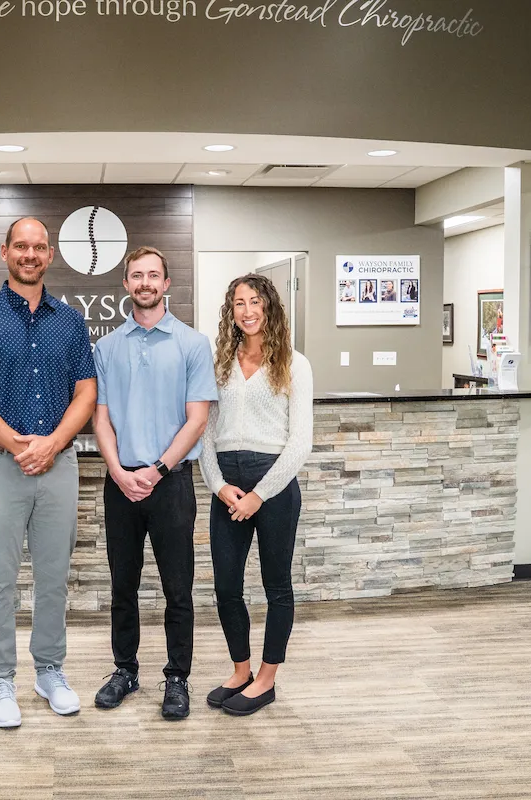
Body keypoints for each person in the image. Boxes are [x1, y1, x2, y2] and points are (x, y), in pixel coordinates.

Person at [0, 217, 97, 729]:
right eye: (20, 246)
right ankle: (0, 678)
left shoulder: (70, 321)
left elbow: (86, 393)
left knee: (54, 576)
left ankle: (49, 672)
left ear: (49, 254)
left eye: (38, 247)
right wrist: (18, 445)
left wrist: (52, 443)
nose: (29, 255)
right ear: (5, 253)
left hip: (58, 464)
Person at [91, 246, 217, 720]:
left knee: (177, 589)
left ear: (166, 284)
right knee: (122, 586)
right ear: (126, 284)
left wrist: (158, 469)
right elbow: (100, 418)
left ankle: (177, 677)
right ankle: (125, 670)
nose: (145, 283)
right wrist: (119, 471)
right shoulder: (106, 348)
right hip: (120, 483)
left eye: (153, 275)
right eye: (136, 275)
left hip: (172, 484)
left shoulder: (192, 344)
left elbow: (197, 420)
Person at [199, 273, 313, 716]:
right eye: (239, 303)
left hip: (274, 485)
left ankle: (266, 680)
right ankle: (240, 670)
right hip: (227, 484)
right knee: (226, 586)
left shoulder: (294, 364)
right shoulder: (221, 364)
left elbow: (300, 442)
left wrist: (259, 495)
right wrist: (219, 486)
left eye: (254, 302)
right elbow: (206, 435)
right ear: (231, 311)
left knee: (276, 585)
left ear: (269, 307)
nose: (247, 311)